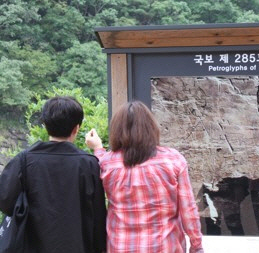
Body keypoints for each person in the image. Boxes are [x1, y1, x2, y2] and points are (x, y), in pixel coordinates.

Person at [85, 100, 204, 253]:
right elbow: (188, 209)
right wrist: (196, 246)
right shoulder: (173, 159)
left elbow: (101, 163)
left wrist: (98, 148)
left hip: (120, 247)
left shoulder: (107, 163)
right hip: (166, 246)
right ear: (151, 128)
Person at [0, 96, 107, 252]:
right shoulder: (88, 163)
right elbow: (98, 217)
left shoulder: (24, 160)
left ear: (45, 125)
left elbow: (5, 201)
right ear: (76, 128)